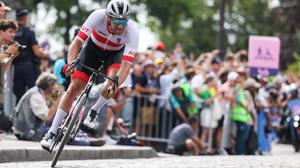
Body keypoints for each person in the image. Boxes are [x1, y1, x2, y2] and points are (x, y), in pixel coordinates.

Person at [41, 0, 139, 151]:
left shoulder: (132, 31)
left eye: (123, 21)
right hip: (92, 50)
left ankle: (94, 111)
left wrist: (116, 83)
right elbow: (77, 42)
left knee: (113, 79)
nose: (120, 26)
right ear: (108, 17)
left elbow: (126, 66)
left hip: (114, 55)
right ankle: (51, 133)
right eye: (116, 21)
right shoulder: (97, 16)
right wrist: (70, 63)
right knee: (74, 87)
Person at [13, 72, 62, 141]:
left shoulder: (37, 92)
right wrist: (59, 100)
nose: (56, 87)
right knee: (59, 133)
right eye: (54, 84)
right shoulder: (36, 96)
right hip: (27, 132)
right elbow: (47, 117)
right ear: (49, 86)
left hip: (30, 129)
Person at [13, 8, 48, 102]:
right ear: (24, 18)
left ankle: (18, 116)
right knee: (35, 93)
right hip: (28, 67)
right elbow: (37, 52)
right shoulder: (29, 32)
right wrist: (45, 53)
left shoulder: (12, 33)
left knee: (19, 95)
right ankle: (34, 116)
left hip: (15, 67)